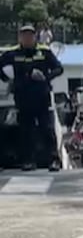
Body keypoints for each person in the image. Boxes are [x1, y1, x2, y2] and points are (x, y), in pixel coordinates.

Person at [0, 24, 64, 171]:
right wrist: (6, 79)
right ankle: (28, 161)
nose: (27, 38)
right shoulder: (13, 54)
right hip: (23, 98)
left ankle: (54, 160)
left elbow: (59, 68)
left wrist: (46, 77)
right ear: (20, 38)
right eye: (24, 36)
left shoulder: (44, 52)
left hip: (41, 97)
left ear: (35, 37)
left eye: (30, 35)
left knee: (47, 129)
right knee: (25, 132)